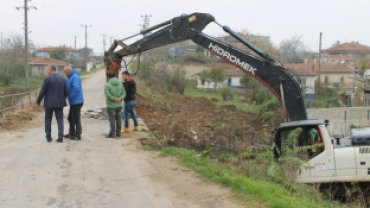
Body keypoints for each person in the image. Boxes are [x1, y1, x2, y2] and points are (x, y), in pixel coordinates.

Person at [36, 65, 67, 143]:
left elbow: (42, 91)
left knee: (48, 119)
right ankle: (60, 136)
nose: (47, 71)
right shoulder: (62, 79)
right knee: (60, 119)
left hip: (49, 103)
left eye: (47, 70)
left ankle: (48, 136)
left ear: (50, 70)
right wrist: (62, 98)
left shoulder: (47, 79)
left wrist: (38, 101)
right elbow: (66, 91)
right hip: (59, 102)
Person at [63, 66, 84, 140]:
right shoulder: (69, 77)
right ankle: (71, 133)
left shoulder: (75, 77)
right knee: (70, 118)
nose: (64, 73)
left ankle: (78, 134)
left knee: (76, 118)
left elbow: (76, 88)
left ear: (68, 71)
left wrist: (71, 96)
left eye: (64, 71)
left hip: (76, 101)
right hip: (73, 102)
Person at [104, 71, 126, 138]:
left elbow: (108, 95)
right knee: (119, 118)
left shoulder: (107, 85)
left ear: (108, 77)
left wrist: (114, 99)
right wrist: (121, 98)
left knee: (112, 119)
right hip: (119, 105)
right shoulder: (120, 84)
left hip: (111, 105)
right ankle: (118, 133)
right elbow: (124, 93)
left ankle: (112, 133)